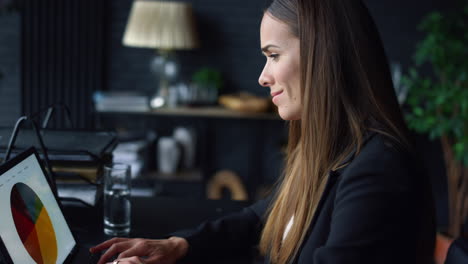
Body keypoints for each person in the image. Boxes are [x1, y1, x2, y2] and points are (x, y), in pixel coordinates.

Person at [91, 0, 436, 263]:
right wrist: (177, 245)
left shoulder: (379, 171)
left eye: (273, 55)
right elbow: (264, 216)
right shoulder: (333, 149)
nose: (262, 77)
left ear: (322, 55)